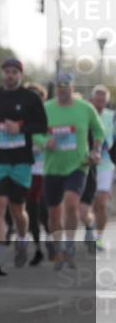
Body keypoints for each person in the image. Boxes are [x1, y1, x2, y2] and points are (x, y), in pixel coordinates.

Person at [0, 58, 47, 276]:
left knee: (18, 210)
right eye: (7, 71)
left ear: (21, 75)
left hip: (21, 161)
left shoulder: (30, 98)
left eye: (14, 72)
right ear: (3, 74)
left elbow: (42, 126)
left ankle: (21, 238)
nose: (10, 75)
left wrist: (20, 127)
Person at [37, 73, 105, 269]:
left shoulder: (85, 108)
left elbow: (99, 131)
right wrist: (44, 141)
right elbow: (34, 132)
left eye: (66, 85)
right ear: (55, 87)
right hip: (52, 167)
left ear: (73, 87)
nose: (63, 89)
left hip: (78, 165)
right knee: (54, 215)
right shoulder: (46, 108)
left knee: (71, 203)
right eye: (59, 85)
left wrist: (96, 150)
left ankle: (69, 245)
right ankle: (58, 249)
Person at [24, 82, 51, 266]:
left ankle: (51, 237)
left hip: (48, 169)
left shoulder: (51, 116)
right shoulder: (20, 119)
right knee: (31, 210)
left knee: (45, 210)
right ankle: (37, 249)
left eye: (37, 97)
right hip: (27, 170)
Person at [88, 85, 114, 251]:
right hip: (84, 164)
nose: (100, 102)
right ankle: (89, 227)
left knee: (102, 203)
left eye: (103, 100)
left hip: (105, 165)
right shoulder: (84, 113)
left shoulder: (112, 117)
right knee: (89, 204)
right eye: (97, 99)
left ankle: (98, 238)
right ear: (92, 99)